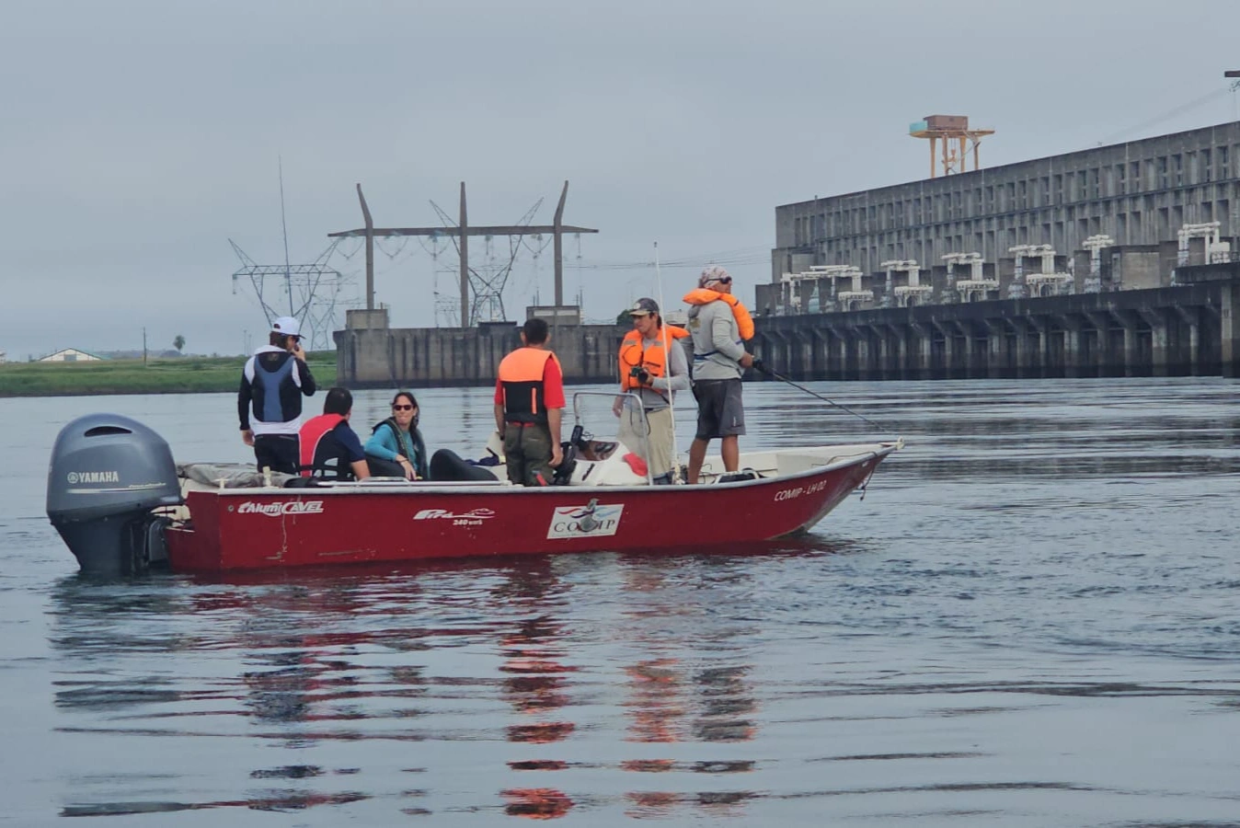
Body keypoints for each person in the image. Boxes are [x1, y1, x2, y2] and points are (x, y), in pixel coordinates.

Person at [683, 266, 756, 484]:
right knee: (730, 432)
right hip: (724, 377)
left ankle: (692, 482)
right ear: (713, 285)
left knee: (703, 433)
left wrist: (696, 367)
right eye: (725, 280)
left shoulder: (695, 310)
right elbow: (721, 341)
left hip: (702, 379)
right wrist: (744, 356)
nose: (730, 284)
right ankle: (733, 480)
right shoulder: (721, 307)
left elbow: (685, 343)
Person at [612, 298, 690, 484]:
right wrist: (618, 400)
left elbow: (683, 380)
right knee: (626, 461)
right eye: (634, 318)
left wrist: (654, 381)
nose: (637, 322)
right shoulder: (631, 342)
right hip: (631, 411)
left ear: (654, 317)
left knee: (658, 468)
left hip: (657, 412)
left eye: (641, 317)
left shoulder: (671, 345)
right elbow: (627, 377)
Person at [238, 316, 316, 474]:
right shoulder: (295, 364)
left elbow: (243, 399)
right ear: (289, 339)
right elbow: (310, 390)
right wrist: (302, 362)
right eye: (295, 340)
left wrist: (245, 427)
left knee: (266, 480)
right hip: (288, 435)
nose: (296, 344)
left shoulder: (251, 363)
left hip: (262, 437)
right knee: (288, 481)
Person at [494, 318, 564, 486]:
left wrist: (503, 436)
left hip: (512, 433)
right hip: (536, 435)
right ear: (547, 337)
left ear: (523, 337)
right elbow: (553, 408)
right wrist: (556, 445)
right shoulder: (547, 363)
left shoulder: (507, 362)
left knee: (515, 484)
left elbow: (498, 406)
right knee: (538, 486)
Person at [298, 387, 370, 481]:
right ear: (349, 411)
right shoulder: (346, 434)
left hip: (302, 488)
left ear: (324, 406)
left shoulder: (304, 428)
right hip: (333, 490)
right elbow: (364, 477)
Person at [364, 390, 428, 480]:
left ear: (414, 411)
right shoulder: (386, 429)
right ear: (393, 411)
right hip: (400, 479)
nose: (402, 411)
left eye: (407, 407)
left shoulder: (416, 434)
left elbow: (423, 463)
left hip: (417, 478)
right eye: (398, 408)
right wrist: (398, 458)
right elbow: (370, 446)